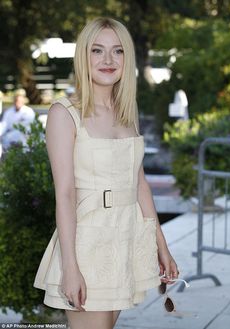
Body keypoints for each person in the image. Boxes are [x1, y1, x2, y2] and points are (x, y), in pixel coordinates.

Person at [33, 17, 179, 329]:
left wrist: (161, 247)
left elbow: (139, 184)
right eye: (97, 51)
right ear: (83, 57)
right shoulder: (64, 114)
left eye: (118, 51)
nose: (108, 60)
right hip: (87, 242)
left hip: (125, 237)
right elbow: (66, 194)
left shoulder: (127, 110)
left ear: (128, 57)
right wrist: (70, 267)